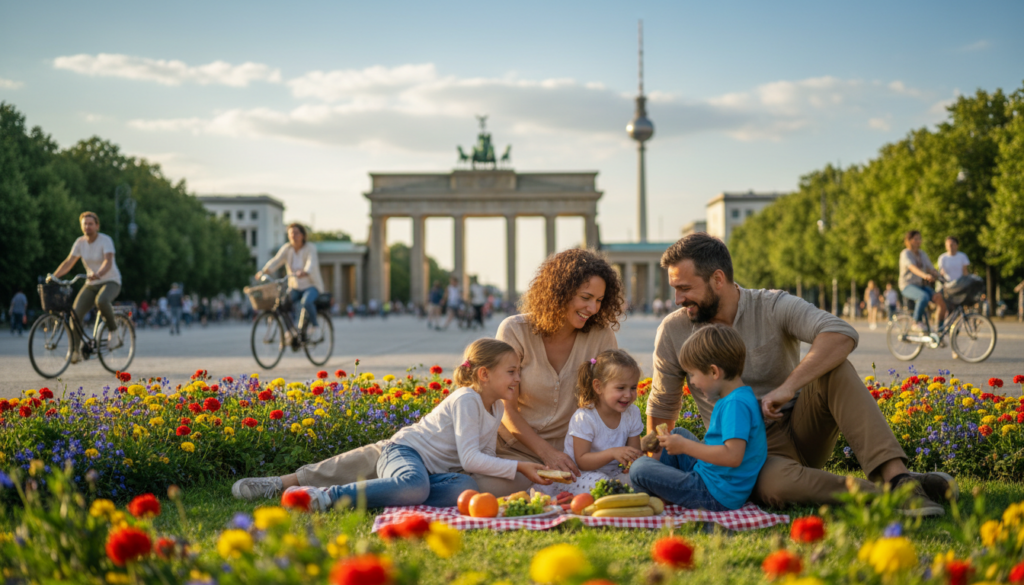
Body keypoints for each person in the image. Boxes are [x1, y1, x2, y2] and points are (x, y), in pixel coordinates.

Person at [647, 233, 956, 516]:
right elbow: (663, 406)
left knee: (835, 368)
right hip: (746, 453)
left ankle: (898, 477)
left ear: (717, 279)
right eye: (675, 289)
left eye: (684, 288)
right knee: (776, 488)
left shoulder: (771, 305)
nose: (677, 300)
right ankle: (888, 495)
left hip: (803, 426)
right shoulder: (674, 330)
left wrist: (788, 386)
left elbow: (840, 333)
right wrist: (652, 470)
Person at [236, 338, 552, 505]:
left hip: (430, 473)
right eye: (512, 371)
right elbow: (470, 458)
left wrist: (516, 486)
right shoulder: (467, 399)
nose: (518, 378)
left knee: (465, 487)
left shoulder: (495, 408)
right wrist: (520, 466)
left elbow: (479, 462)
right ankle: (327, 496)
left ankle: (389, 493)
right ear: (484, 374)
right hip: (404, 452)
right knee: (414, 485)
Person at [488, 248, 625, 496]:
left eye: (599, 300)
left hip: (571, 457)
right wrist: (547, 453)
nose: (593, 308)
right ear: (560, 292)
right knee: (483, 491)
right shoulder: (514, 331)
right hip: (512, 451)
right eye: (586, 297)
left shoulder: (602, 337)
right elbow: (506, 409)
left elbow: (608, 404)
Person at [631, 324, 766, 511]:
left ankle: (654, 495)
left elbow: (733, 457)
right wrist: (680, 443)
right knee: (677, 433)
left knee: (639, 469)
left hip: (715, 494)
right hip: (713, 477)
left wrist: (685, 446)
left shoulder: (735, 405)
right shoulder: (737, 397)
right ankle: (664, 486)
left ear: (714, 372)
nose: (692, 381)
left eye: (693, 374)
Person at [534, 349, 643, 497]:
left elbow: (634, 453)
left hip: (614, 474)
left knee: (640, 479)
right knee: (604, 485)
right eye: (621, 388)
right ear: (598, 387)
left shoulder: (632, 413)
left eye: (633, 388)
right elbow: (582, 461)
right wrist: (613, 453)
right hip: (579, 475)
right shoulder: (585, 418)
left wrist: (632, 464)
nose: (628, 395)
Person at [51, 212, 123, 363]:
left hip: (111, 281)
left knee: (102, 300)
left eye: (91, 224)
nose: (87, 226)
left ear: (97, 226)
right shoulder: (80, 242)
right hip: (91, 283)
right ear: (81, 226)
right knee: (75, 315)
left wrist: (99, 273)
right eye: (85, 224)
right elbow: (69, 262)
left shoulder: (105, 240)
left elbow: (108, 261)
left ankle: (114, 330)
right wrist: (54, 277)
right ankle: (75, 351)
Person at [256, 223, 325, 340]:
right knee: (282, 305)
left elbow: (311, 262)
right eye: (291, 233)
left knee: (306, 302)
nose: (293, 236)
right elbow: (276, 260)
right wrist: (264, 271)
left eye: (296, 233)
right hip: (295, 287)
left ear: (303, 235)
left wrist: (305, 271)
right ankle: (290, 331)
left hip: (311, 286)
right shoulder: (287, 249)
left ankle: (315, 326)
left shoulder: (310, 248)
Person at [899, 230, 948, 332]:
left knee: (940, 298)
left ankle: (940, 329)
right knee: (923, 297)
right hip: (907, 286)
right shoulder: (905, 253)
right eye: (916, 239)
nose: (919, 241)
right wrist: (924, 275)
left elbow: (930, 268)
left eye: (919, 239)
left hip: (920, 285)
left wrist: (938, 275)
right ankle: (916, 322)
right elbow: (912, 267)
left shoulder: (922, 254)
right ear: (909, 240)